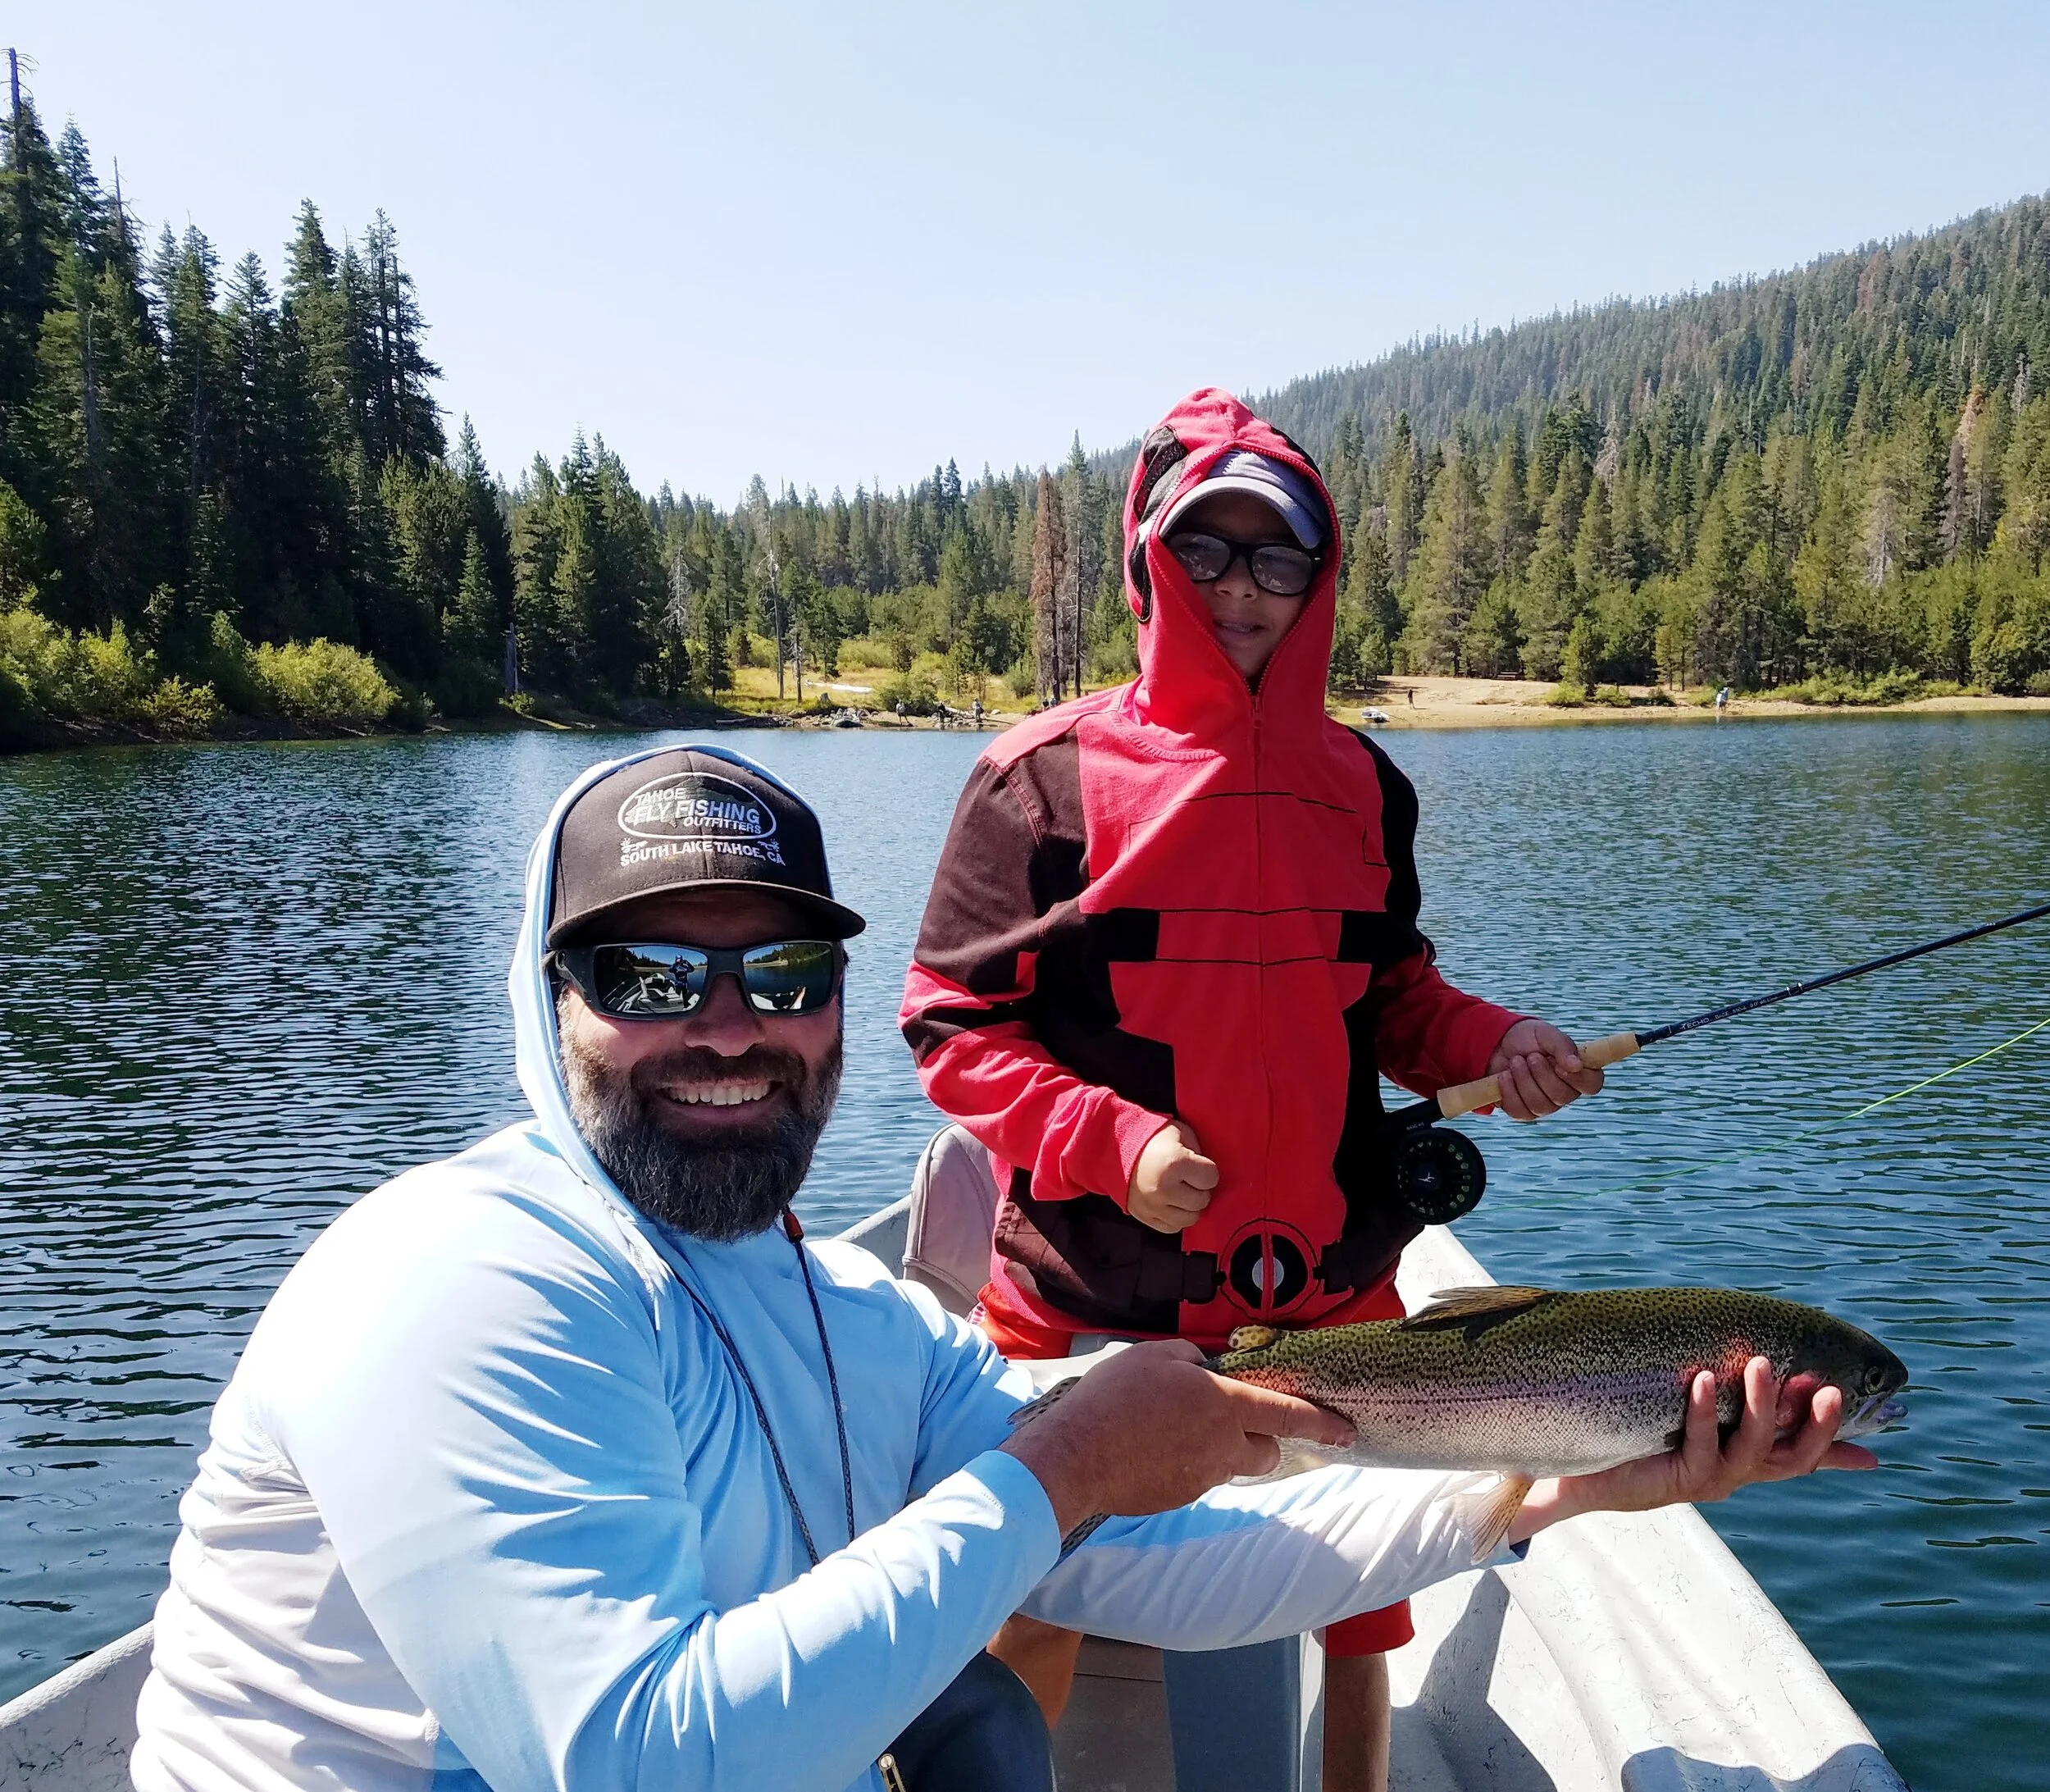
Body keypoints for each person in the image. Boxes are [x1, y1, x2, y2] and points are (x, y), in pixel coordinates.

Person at [131, 744, 1870, 1792]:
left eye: (782, 976)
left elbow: (1175, 1558)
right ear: (546, 1003)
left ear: (837, 1003)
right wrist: (1057, 1473)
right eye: (649, 978)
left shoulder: (840, 1320)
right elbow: (642, 1757)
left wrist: (1562, 1488)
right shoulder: (456, 1283)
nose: (726, 1028)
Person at [899, 390, 1604, 1791]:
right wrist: (1113, 1141)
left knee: (1365, 1603)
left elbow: (1396, 1000)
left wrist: (1501, 1041)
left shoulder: (1365, 784)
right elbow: (953, 1026)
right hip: (1087, 1294)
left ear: (1319, 574)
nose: (1241, 587)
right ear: (1149, 562)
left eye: (1277, 557)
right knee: (1036, 1594)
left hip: (1330, 1286)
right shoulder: (1038, 780)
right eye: (1206, 550)